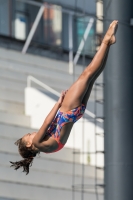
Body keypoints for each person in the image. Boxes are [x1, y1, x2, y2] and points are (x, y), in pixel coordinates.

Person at [10, 20, 118, 174]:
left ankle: (108, 44)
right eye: (28, 135)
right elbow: (47, 122)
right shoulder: (37, 142)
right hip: (67, 110)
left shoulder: (49, 149)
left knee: (92, 77)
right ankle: (106, 40)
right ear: (29, 145)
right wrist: (58, 103)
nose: (31, 134)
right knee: (86, 74)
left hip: (76, 113)